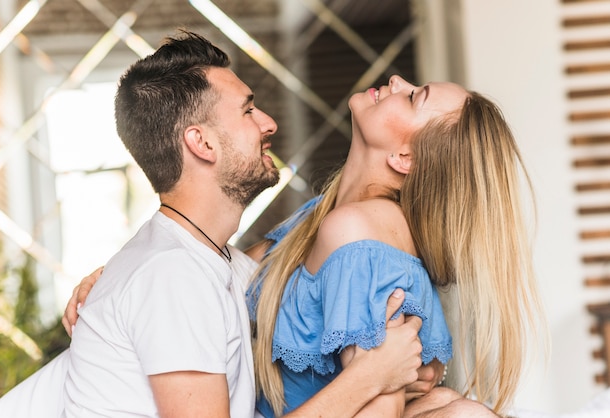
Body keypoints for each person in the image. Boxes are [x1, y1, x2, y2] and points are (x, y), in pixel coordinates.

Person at [53, 29, 426, 418]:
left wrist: (421, 380)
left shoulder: (212, 264)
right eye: (248, 110)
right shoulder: (173, 275)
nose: (269, 124)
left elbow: (290, 280)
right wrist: (371, 377)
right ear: (202, 144)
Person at [243, 75, 547, 417]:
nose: (396, 80)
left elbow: (382, 407)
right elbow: (237, 269)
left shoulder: (359, 234)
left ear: (405, 157)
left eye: (413, 97)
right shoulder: (325, 216)